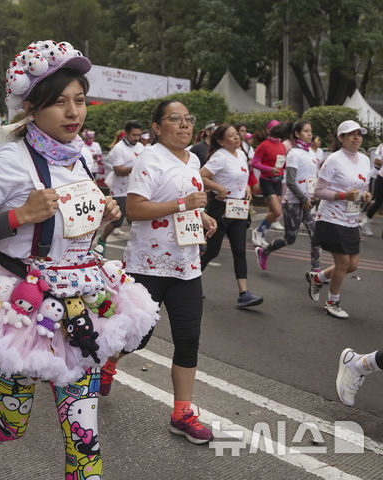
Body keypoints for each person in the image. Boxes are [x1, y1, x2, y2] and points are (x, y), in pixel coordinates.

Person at [0, 40, 157, 479]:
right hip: (17, 312)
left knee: (84, 441)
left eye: (80, 101)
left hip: (81, 310)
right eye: (59, 103)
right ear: (31, 107)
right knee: (12, 424)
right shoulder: (8, 161)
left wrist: (106, 216)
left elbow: (73, 234)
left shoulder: (82, 156)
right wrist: (18, 215)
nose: (74, 113)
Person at [103, 100, 218, 445]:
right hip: (148, 265)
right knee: (138, 337)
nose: (184, 125)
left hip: (186, 266)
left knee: (188, 340)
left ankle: (182, 413)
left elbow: (190, 200)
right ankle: (105, 364)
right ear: (157, 127)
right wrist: (184, 205)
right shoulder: (148, 159)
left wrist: (203, 216)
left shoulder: (194, 160)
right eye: (175, 119)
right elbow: (135, 210)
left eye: (188, 120)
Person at [306, 121, 372, 319]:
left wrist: (366, 196)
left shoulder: (364, 159)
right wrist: (344, 196)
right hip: (331, 217)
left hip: (351, 218)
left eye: (358, 134)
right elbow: (318, 191)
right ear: (341, 138)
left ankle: (318, 277)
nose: (356, 137)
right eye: (350, 134)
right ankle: (332, 302)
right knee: (343, 262)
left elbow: (363, 188)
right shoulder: (334, 159)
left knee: (352, 265)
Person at [199, 124, 263, 308]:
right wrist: (218, 188)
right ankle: (192, 280)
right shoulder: (220, 157)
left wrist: (247, 188)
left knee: (240, 250)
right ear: (220, 141)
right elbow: (200, 176)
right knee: (212, 251)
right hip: (221, 209)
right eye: (231, 136)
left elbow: (242, 177)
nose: (236, 138)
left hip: (239, 208)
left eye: (237, 134)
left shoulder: (241, 154)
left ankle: (244, 293)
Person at [255, 121, 322, 271]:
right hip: (293, 202)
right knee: (290, 238)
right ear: (297, 134)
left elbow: (313, 177)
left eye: (311, 131)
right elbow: (291, 182)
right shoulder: (293, 153)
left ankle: (316, 270)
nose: (310, 134)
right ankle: (264, 251)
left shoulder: (311, 152)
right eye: (306, 131)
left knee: (316, 235)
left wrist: (313, 195)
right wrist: (303, 198)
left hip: (308, 202)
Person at [97, 120, 144, 254]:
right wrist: (136, 167)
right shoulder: (118, 149)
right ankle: (103, 239)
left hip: (136, 187)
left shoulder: (140, 146)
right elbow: (118, 170)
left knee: (136, 219)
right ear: (127, 134)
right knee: (117, 221)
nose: (137, 138)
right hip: (121, 190)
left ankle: (137, 247)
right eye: (134, 135)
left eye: (138, 135)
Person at [250, 121, 290, 247]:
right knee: (277, 212)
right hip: (267, 181)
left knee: (275, 212)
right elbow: (254, 163)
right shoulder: (264, 145)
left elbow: (282, 164)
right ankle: (258, 231)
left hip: (278, 181)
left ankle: (261, 233)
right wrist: (269, 169)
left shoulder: (282, 146)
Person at [359, 141, 383, 236]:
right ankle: (363, 218)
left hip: (379, 175)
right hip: (379, 176)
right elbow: (377, 161)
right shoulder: (381, 146)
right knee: (374, 199)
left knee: (377, 201)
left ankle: (365, 222)